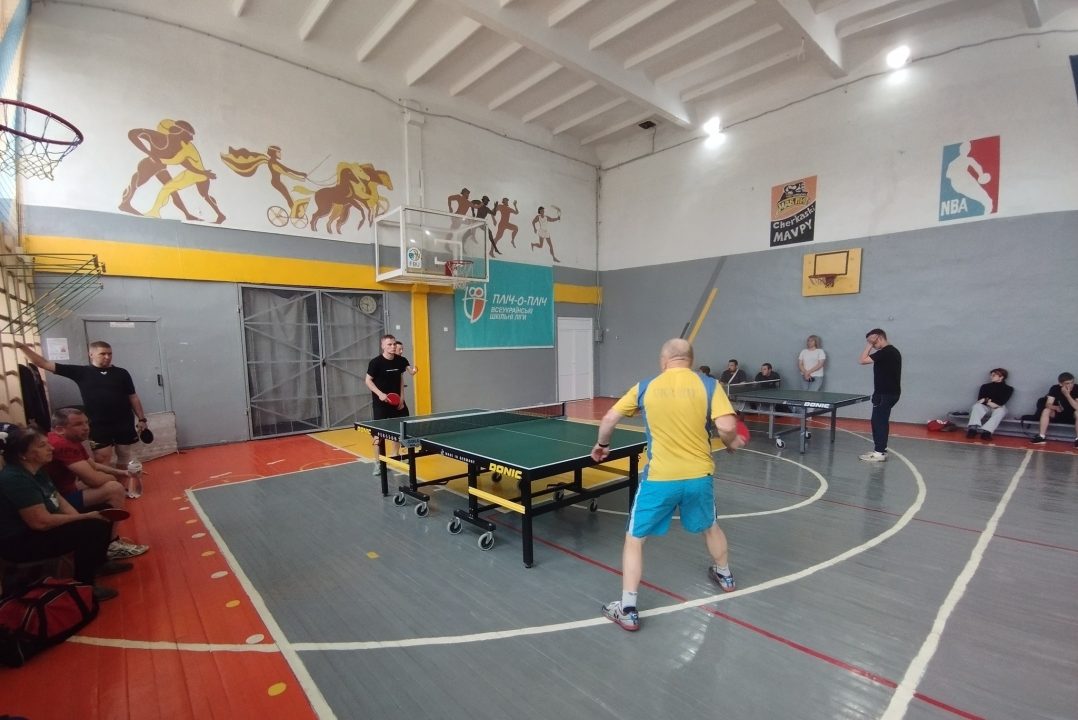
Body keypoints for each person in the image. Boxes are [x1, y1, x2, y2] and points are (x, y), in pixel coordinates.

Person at [591, 338, 744, 632]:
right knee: (711, 525)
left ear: (664, 361)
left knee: (635, 538)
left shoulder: (646, 387)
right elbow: (726, 427)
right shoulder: (710, 385)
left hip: (660, 478)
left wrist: (602, 445)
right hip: (699, 476)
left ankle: (628, 608)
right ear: (690, 360)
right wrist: (731, 442)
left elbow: (609, 419)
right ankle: (724, 575)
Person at [0, 424, 129, 601]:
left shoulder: (37, 470)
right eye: (42, 446)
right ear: (23, 454)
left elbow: (58, 499)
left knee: (102, 511)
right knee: (92, 527)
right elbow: (40, 522)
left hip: (39, 529)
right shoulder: (16, 479)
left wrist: (79, 518)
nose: (51, 448)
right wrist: (84, 518)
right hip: (21, 542)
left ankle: (99, 563)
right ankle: (86, 587)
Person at [17, 340, 148, 471]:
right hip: (97, 424)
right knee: (102, 457)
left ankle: (123, 481)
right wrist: (23, 347)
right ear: (91, 354)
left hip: (123, 421)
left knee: (124, 455)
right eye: (102, 354)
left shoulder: (122, 373)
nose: (107, 357)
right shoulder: (81, 372)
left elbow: (133, 396)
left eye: (110, 354)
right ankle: (107, 481)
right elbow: (44, 363)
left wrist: (142, 419)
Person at [47, 407, 148, 560]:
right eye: (78, 424)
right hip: (54, 502)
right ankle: (111, 545)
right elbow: (92, 479)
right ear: (60, 429)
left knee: (108, 483)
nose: (86, 427)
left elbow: (92, 465)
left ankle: (104, 538)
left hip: (59, 492)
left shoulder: (70, 439)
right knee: (114, 489)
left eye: (86, 422)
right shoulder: (62, 445)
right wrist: (113, 478)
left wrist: (123, 473)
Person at [365, 334, 410, 469]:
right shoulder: (375, 362)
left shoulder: (400, 361)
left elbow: (400, 379)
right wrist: (380, 394)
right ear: (383, 346)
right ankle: (378, 463)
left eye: (394, 344)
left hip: (397, 402)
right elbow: (368, 380)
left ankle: (395, 455)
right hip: (381, 404)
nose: (393, 346)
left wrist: (402, 398)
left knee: (400, 429)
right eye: (389, 344)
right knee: (378, 434)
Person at [859, 328, 901, 462]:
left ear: (880, 337)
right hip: (889, 393)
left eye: (872, 341)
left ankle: (879, 453)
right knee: (880, 421)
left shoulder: (886, 352)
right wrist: (872, 342)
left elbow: (862, 360)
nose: (872, 344)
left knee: (879, 422)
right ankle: (881, 450)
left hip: (884, 394)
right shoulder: (892, 352)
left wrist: (869, 345)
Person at [1030, 372, 1078, 446]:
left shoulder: (1076, 388)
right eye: (1067, 383)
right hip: (1060, 414)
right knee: (1046, 410)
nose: (1070, 385)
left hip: (1073, 416)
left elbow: (1077, 407)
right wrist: (1055, 407)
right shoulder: (1055, 388)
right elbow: (1048, 404)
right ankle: (1041, 437)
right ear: (1060, 384)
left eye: (1072, 382)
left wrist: (1067, 395)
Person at [965, 368, 1013, 441]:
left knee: (1001, 410)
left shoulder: (1008, 389)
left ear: (1001, 377)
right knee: (977, 406)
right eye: (991, 375)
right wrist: (989, 402)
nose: (991, 377)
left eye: (994, 375)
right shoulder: (985, 386)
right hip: (986, 407)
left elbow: (1001, 402)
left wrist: (986, 400)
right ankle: (972, 429)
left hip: (997, 408)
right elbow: (980, 400)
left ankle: (987, 432)